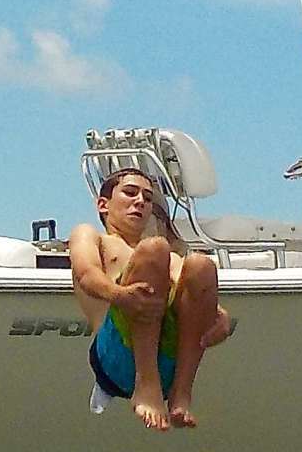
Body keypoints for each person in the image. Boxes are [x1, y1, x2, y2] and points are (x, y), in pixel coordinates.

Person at [68, 168, 230, 431]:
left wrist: (220, 318)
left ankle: (181, 392)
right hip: (117, 359)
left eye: (147, 197)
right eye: (130, 193)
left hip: (167, 363)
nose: (140, 202)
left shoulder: (170, 259)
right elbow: (87, 274)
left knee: (201, 264)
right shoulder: (93, 237)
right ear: (103, 204)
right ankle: (146, 385)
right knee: (154, 249)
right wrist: (121, 295)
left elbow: (198, 296)